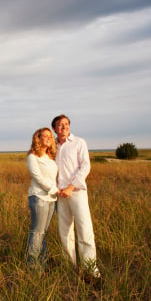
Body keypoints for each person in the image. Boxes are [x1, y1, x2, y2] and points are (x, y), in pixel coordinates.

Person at [51, 114, 101, 280]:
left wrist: (71, 187)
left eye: (66, 124)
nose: (63, 127)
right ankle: (70, 268)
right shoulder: (54, 147)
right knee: (65, 232)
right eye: (60, 125)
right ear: (55, 129)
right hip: (60, 195)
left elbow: (85, 166)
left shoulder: (79, 143)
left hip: (76, 192)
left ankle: (91, 271)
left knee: (85, 230)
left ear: (69, 127)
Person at [25, 127, 58, 268]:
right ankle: (32, 264)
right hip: (39, 197)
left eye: (51, 136)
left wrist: (55, 191)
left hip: (51, 199)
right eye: (45, 136)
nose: (49, 138)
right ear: (38, 138)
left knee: (43, 232)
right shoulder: (32, 157)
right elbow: (37, 177)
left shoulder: (50, 158)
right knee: (37, 232)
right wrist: (53, 189)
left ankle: (43, 262)